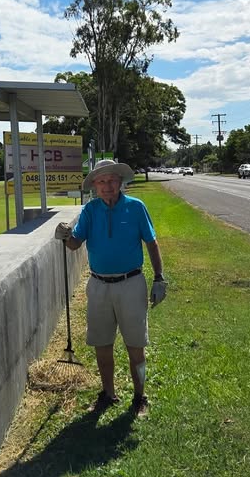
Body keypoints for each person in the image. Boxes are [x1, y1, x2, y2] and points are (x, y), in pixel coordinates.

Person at [55, 159, 167, 417]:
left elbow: (151, 243)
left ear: (120, 182)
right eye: (101, 181)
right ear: (94, 185)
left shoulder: (136, 207)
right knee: (102, 345)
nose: (107, 186)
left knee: (135, 345)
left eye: (112, 180)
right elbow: (75, 243)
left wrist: (159, 278)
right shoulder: (90, 210)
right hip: (99, 286)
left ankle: (140, 397)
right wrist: (64, 236)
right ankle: (108, 393)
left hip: (131, 283)